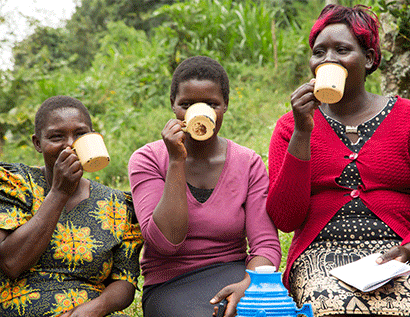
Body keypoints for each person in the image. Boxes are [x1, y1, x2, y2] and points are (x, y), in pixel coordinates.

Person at [266, 4, 410, 317]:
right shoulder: (290, 127)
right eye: (319, 52)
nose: (328, 60)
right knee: (331, 306)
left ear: (369, 59)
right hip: (322, 253)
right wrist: (303, 132)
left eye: (342, 50)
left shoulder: (407, 118)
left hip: (399, 250)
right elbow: (285, 219)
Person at [128, 55, 281, 317]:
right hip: (171, 283)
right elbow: (166, 243)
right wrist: (176, 160)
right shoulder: (148, 159)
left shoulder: (247, 163)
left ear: (225, 106)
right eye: (186, 104)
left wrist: (248, 285)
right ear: (173, 106)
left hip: (234, 273)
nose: (197, 113)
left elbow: (265, 244)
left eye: (211, 104)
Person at [0, 96, 143, 317]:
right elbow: (11, 263)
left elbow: (124, 282)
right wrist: (59, 193)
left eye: (80, 134)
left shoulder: (119, 205)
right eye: (56, 136)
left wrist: (95, 308)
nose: (70, 144)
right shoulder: (15, 184)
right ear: (37, 143)